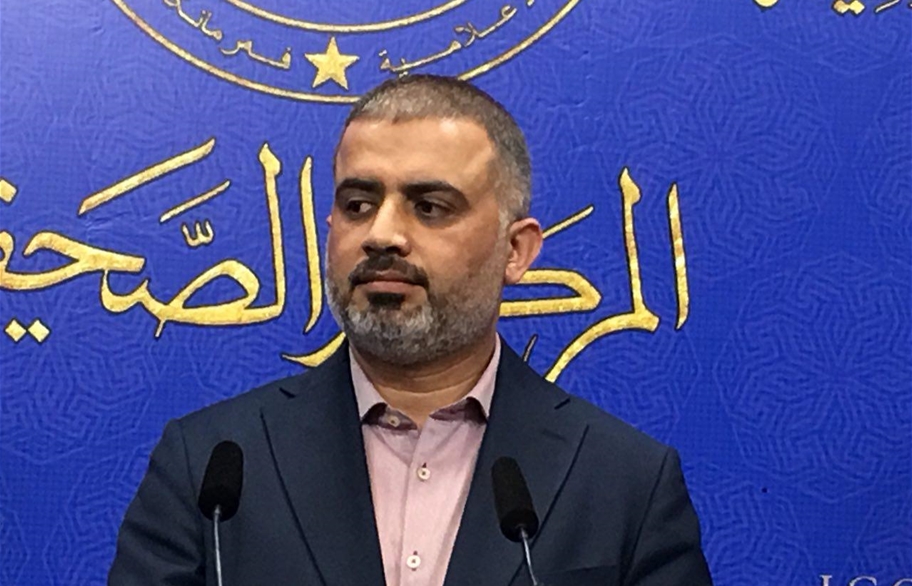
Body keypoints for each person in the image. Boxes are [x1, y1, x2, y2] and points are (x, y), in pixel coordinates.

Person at [109, 74, 713, 586]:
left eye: (429, 207)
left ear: (516, 250)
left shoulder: (625, 482)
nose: (382, 234)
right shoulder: (212, 467)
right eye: (358, 204)